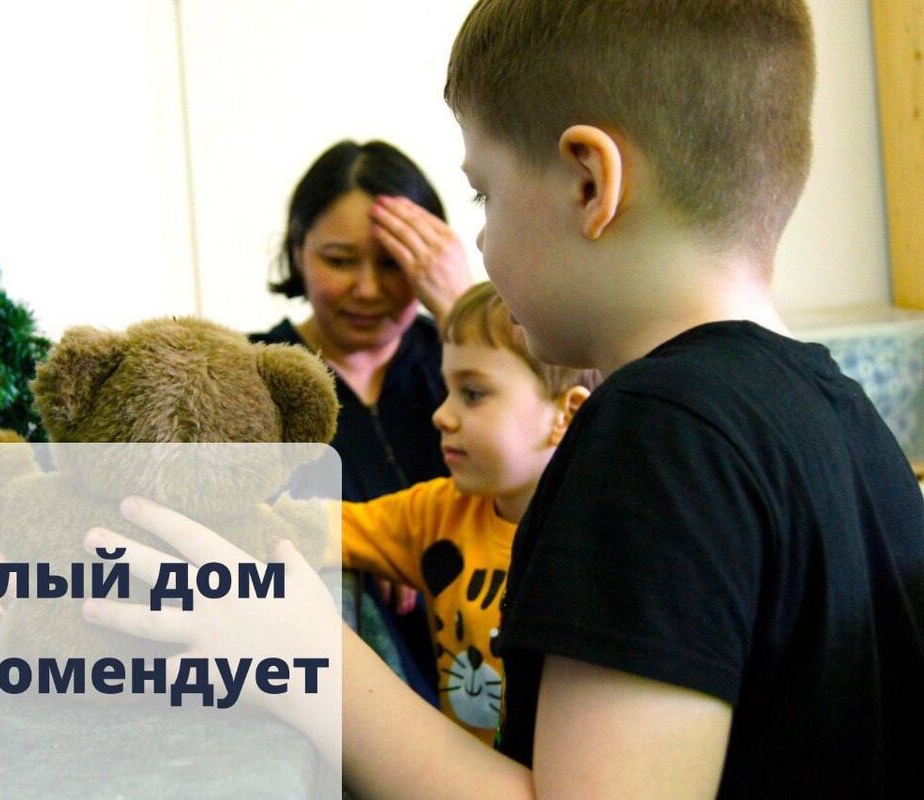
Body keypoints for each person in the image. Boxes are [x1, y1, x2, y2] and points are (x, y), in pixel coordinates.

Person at [86, 0, 924, 796]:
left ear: (590, 183)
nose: (480, 239)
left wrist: (301, 654)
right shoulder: (846, 417)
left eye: (483, 192)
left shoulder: (658, 434)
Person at [251, 139, 473, 703]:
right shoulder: (249, 378)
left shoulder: (471, 365)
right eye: (340, 260)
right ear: (298, 251)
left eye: (394, 264)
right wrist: (363, 549)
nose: (368, 289)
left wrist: (462, 307)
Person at [335, 281, 598, 745]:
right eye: (447, 390)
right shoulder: (436, 514)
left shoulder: (604, 538)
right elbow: (308, 526)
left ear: (567, 415)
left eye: (473, 393)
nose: (442, 415)